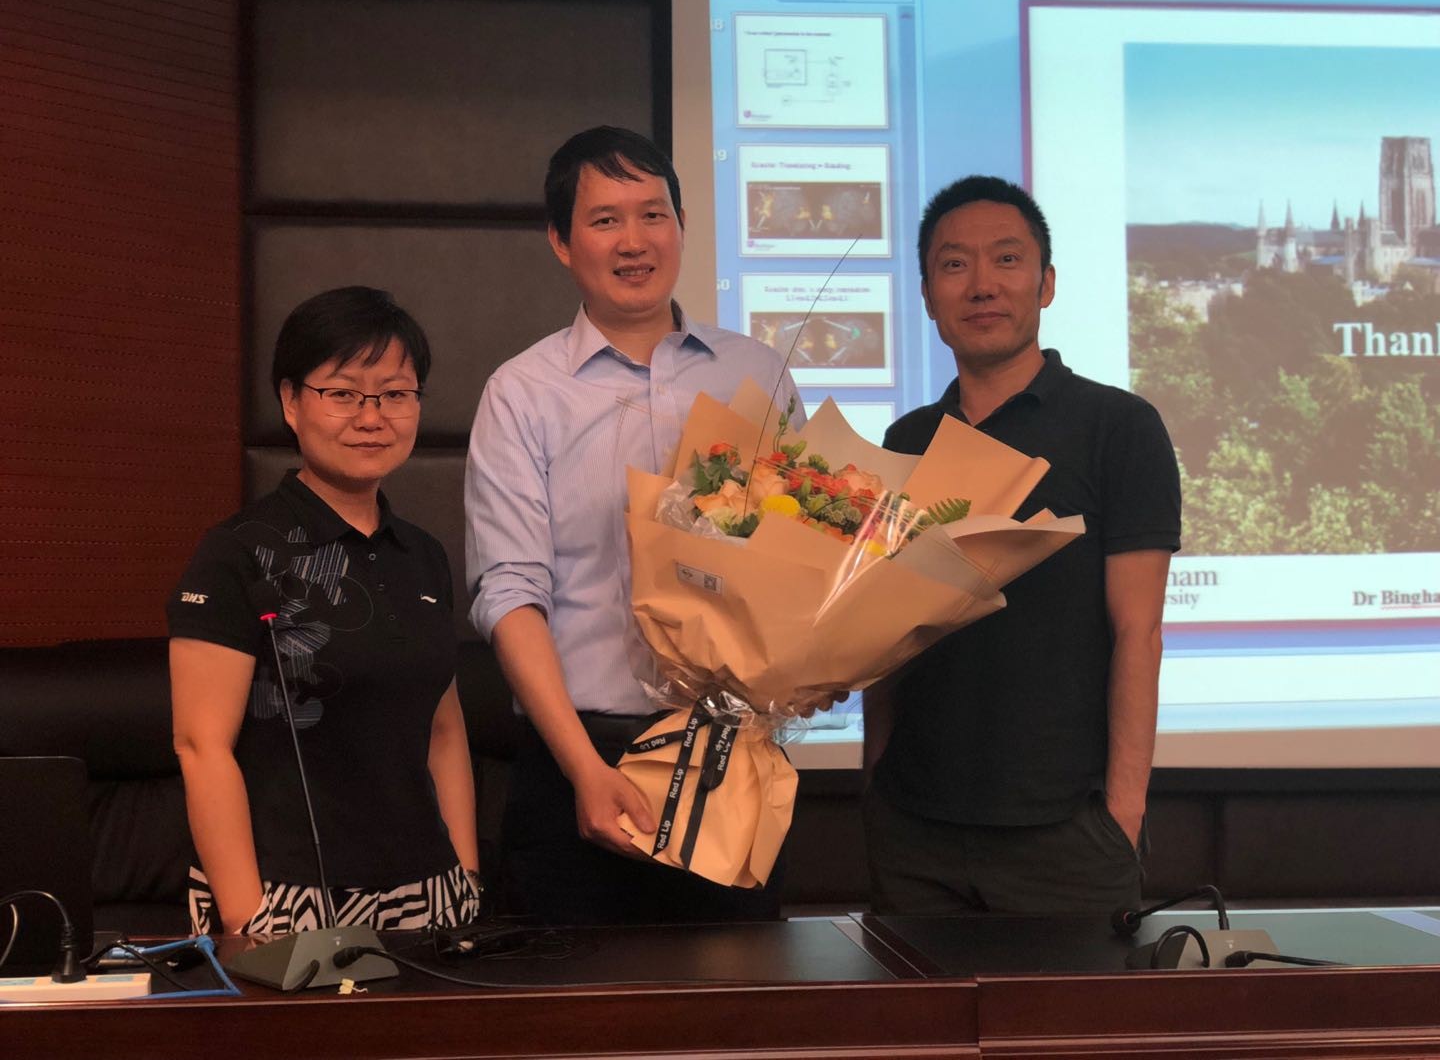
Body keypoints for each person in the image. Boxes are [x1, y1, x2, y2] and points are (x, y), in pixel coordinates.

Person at [465, 126, 802, 925]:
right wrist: (584, 768)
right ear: (561, 241)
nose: (634, 241)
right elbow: (509, 593)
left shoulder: (756, 374)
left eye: (653, 215)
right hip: (577, 764)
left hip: (731, 763)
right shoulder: (522, 393)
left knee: (741, 998)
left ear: (683, 226)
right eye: (605, 219)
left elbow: (803, 560)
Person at [862, 176, 1180, 915]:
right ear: (927, 295)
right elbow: (884, 633)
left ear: (1047, 284)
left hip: (1067, 836)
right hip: (913, 832)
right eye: (954, 265)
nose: (982, 285)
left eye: (1007, 260)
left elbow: (1139, 630)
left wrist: (1123, 815)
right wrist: (874, 778)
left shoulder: (1119, 427)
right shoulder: (907, 440)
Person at [168, 286, 481, 935]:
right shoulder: (238, 552)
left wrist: (467, 878)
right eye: (343, 393)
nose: (372, 417)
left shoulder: (423, 555)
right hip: (285, 898)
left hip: (430, 892)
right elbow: (201, 745)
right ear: (291, 401)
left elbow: (444, 730)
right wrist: (248, 919)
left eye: (395, 394)